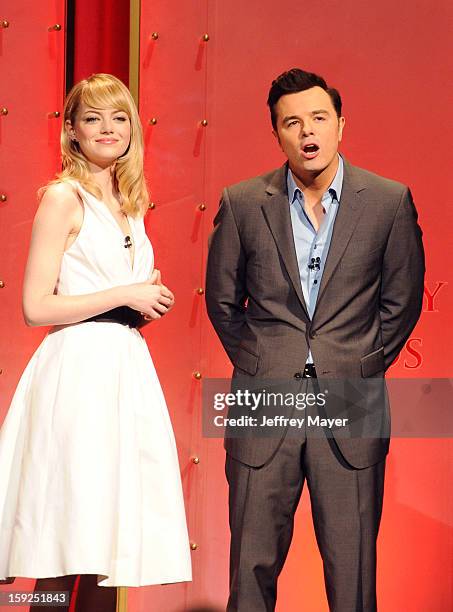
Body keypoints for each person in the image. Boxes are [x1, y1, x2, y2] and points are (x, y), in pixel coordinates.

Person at [205, 68, 425, 611]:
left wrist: (359, 364)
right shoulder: (242, 202)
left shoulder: (388, 202)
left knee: (352, 578)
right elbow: (222, 303)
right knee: (250, 572)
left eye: (319, 118)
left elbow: (402, 303)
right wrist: (261, 362)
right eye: (292, 122)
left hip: (350, 397)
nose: (308, 132)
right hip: (266, 398)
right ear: (276, 133)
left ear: (341, 125)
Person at [0, 73, 192, 611]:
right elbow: (36, 306)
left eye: (119, 117)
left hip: (123, 368)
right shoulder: (63, 198)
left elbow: (106, 299)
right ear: (72, 131)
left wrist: (141, 302)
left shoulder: (131, 203)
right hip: (78, 375)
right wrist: (124, 290)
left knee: (108, 545)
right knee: (66, 538)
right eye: (93, 118)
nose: (107, 128)